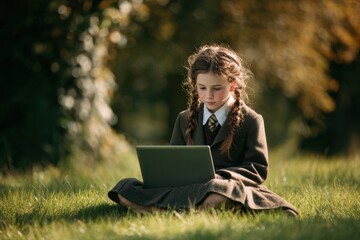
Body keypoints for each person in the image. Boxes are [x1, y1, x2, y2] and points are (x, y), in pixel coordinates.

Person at [108, 44, 299, 217]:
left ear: (232, 85)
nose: (209, 95)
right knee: (124, 188)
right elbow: (173, 161)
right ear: (195, 85)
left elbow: (257, 169)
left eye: (217, 88)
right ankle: (183, 212)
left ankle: (160, 212)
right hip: (189, 188)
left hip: (226, 188)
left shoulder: (252, 120)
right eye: (202, 88)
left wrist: (221, 176)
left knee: (218, 195)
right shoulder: (184, 118)